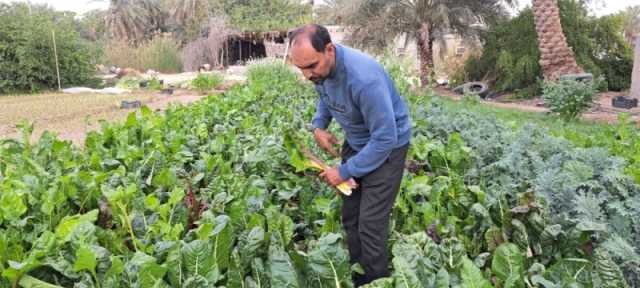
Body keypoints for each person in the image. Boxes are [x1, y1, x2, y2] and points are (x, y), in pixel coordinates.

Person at [288, 24, 411, 286]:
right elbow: (324, 91)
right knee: (351, 217)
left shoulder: (364, 79)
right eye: (301, 69)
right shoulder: (321, 72)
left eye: (311, 67)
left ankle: (377, 282)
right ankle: (359, 276)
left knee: (370, 224)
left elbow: (385, 138)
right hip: (357, 143)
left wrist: (344, 171)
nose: (307, 75)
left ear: (329, 50)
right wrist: (319, 125)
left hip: (387, 148)